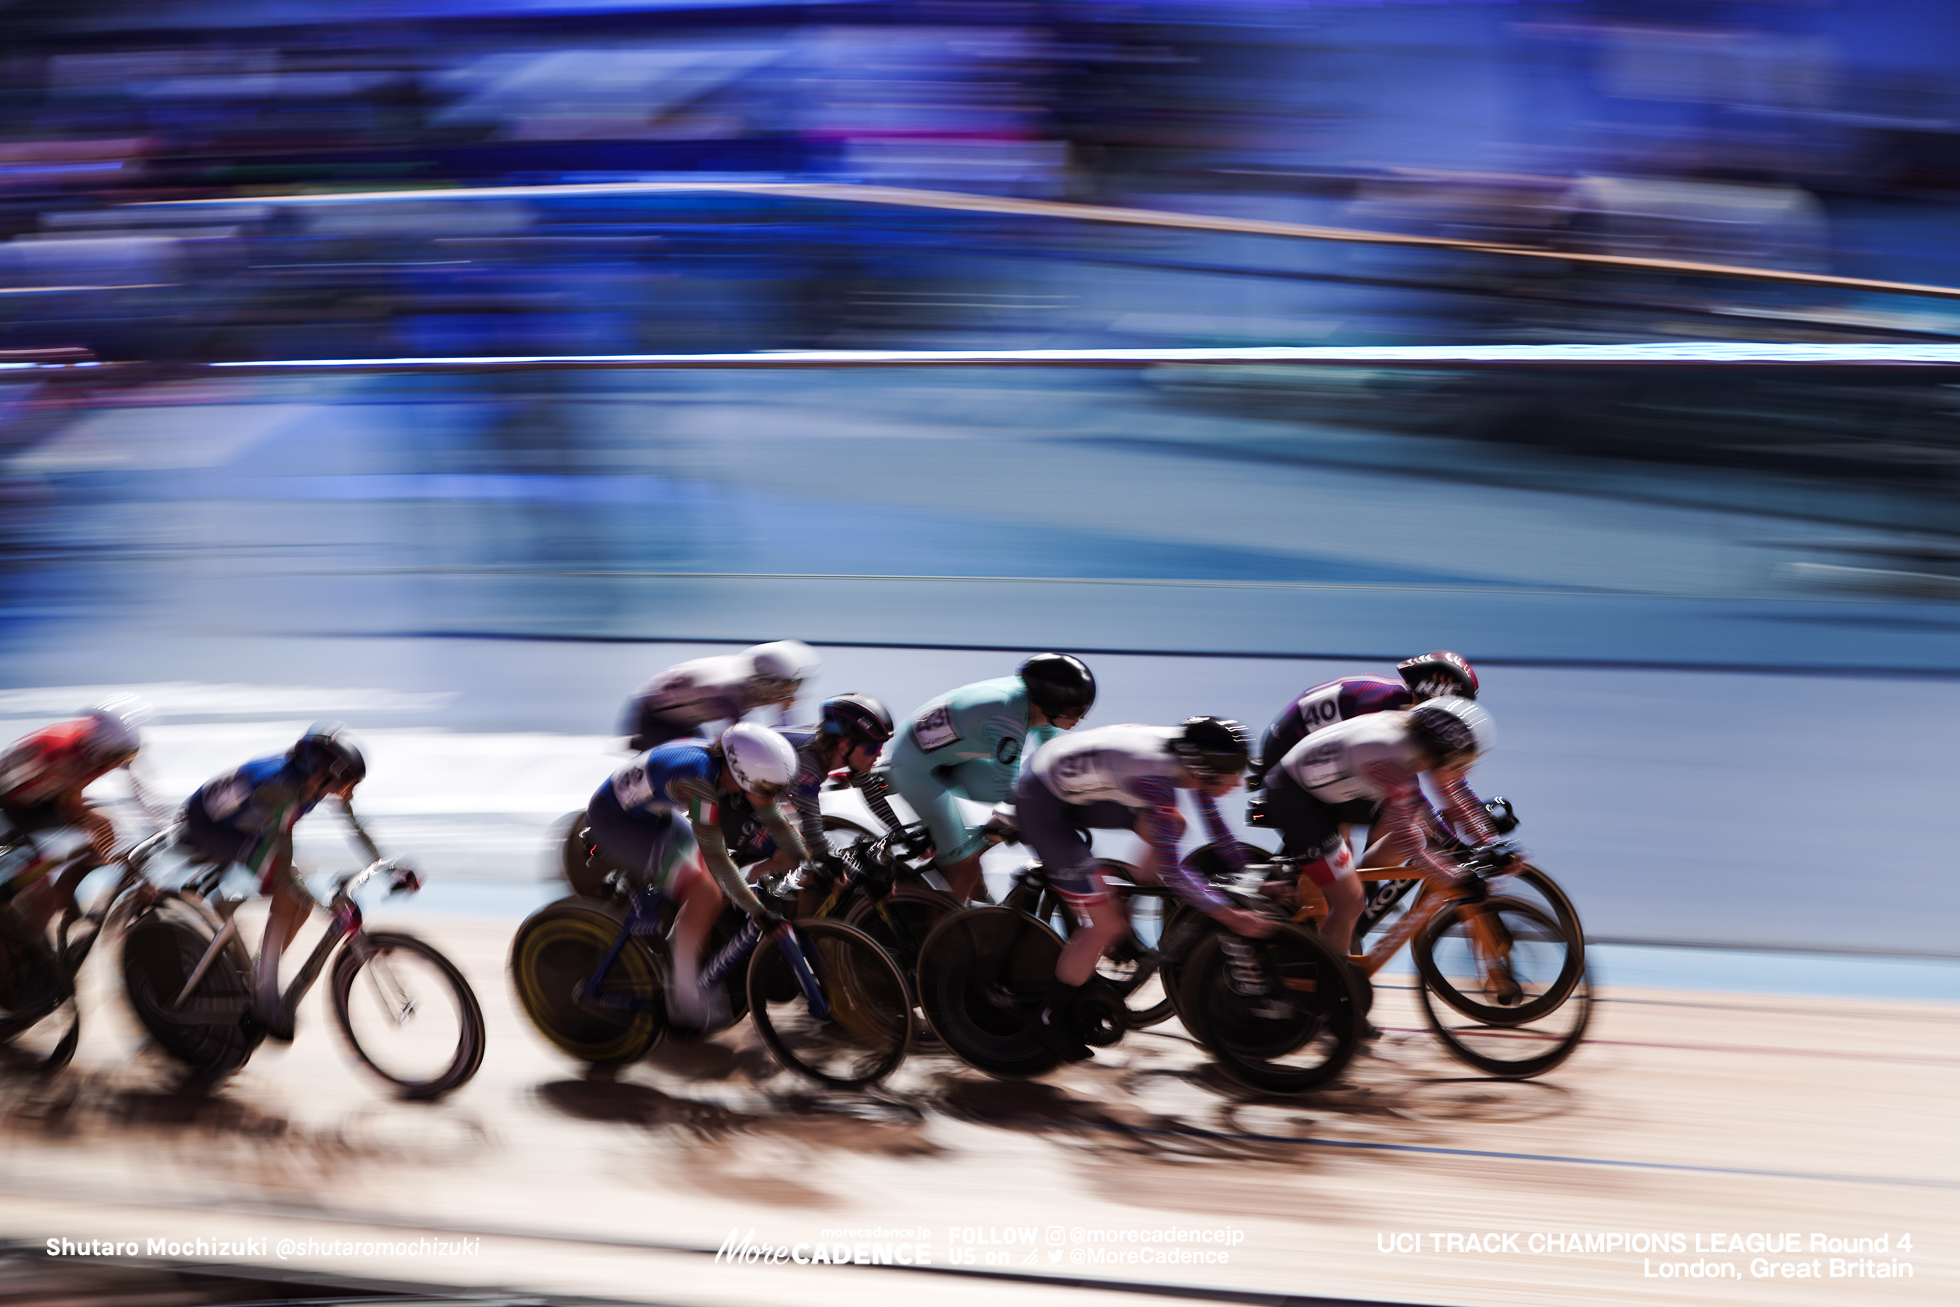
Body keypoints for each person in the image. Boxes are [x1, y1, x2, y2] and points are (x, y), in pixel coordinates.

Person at [1015, 717, 1274, 1062]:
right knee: (1107, 925)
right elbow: (1172, 870)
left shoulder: (1189, 760)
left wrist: (1254, 878)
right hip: (1042, 804)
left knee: (1173, 825)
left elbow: (1218, 831)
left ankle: (1117, 895)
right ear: (1204, 773)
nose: (1239, 782)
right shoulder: (1158, 780)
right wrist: (1231, 915)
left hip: (1077, 779)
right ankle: (1047, 1020)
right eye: (1232, 776)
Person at [180, 723, 397, 1040]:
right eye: (345, 784)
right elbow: (282, 857)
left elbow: (354, 824)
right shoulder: (282, 788)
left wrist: (385, 865)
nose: (348, 793)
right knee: (291, 888)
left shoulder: (317, 780)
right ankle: (266, 994)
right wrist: (311, 896)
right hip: (209, 827)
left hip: (246, 821)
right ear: (320, 775)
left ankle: (258, 966)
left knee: (302, 896)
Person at [584, 722, 805, 1028]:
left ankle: (680, 940)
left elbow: (772, 816)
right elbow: (717, 859)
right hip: (616, 824)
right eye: (769, 788)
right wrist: (758, 912)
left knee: (715, 888)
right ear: (742, 775)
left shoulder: (724, 767)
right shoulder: (700, 783)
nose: (774, 796)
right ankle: (684, 996)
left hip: (652, 816)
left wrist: (809, 858)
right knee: (705, 891)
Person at [1264, 697, 1502, 961]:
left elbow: (1440, 797)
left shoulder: (1411, 745)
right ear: (1439, 754)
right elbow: (1415, 845)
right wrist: (1457, 879)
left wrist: (1487, 843)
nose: (1465, 774)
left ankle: (1352, 896)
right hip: (1295, 797)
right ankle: (1327, 988)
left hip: (1331, 789)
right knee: (1349, 902)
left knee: (1410, 831)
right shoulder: (1394, 760)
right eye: (1460, 765)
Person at [881, 654, 1094, 903]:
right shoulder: (1008, 721)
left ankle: (956, 854)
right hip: (915, 769)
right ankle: (939, 934)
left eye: (1085, 709)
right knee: (967, 866)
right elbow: (1007, 790)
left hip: (948, 757)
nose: (1081, 717)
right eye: (1075, 711)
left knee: (1025, 804)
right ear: (1049, 705)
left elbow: (1051, 757)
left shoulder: (1036, 705)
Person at [714, 694, 902, 913]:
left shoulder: (837, 752)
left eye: (881, 746)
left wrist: (901, 833)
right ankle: (736, 907)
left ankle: (799, 925)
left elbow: (873, 792)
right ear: (844, 745)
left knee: (814, 858)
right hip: (732, 804)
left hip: (759, 801)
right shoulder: (810, 761)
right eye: (872, 748)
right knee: (798, 857)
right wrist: (862, 878)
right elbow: (812, 826)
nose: (879, 754)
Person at [0, 698, 160, 935]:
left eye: (128, 756)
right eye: (117, 757)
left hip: (45, 796)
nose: (120, 764)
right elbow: (69, 805)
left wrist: (155, 830)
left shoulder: (107, 749)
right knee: (47, 867)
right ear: (96, 748)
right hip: (14, 803)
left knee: (102, 828)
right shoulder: (61, 751)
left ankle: (67, 903)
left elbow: (136, 791)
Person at [1251, 650, 1479, 789]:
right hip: (1288, 740)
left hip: (1313, 740)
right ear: (1432, 696)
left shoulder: (1408, 707)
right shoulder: (1385, 704)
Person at [620, 641, 820, 752]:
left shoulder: (751, 677)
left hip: (678, 713)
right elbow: (733, 742)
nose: (789, 694)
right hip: (655, 720)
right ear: (765, 684)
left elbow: (785, 733)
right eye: (785, 688)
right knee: (694, 767)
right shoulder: (728, 693)